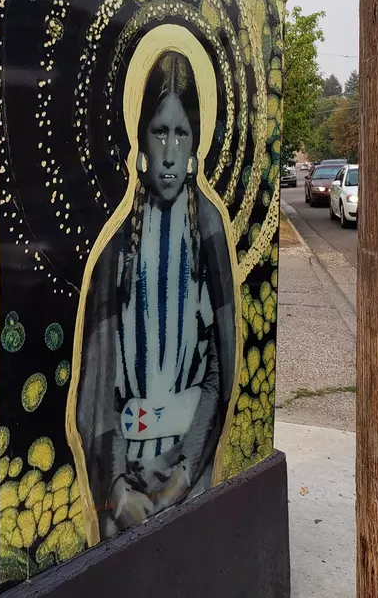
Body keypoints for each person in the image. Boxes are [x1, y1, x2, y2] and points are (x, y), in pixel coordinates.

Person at [74, 50, 236, 539]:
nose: (168, 151)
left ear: (196, 143)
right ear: (140, 137)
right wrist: (118, 490)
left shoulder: (208, 230)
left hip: (194, 472)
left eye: (180, 133)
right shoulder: (118, 241)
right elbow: (98, 384)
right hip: (126, 485)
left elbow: (219, 366)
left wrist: (186, 472)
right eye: (158, 132)